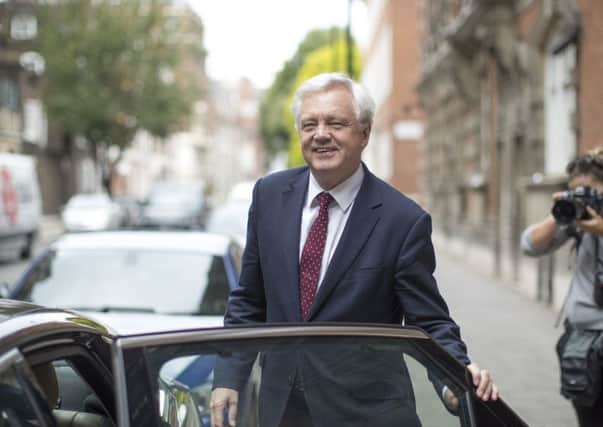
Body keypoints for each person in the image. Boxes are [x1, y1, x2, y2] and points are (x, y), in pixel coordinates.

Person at [210, 72, 498, 427]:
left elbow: (429, 320)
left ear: (364, 133)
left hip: (366, 414)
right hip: (281, 409)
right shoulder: (269, 196)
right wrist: (227, 376)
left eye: (336, 123)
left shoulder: (402, 220)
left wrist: (454, 376)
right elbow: (249, 300)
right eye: (309, 124)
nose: (320, 134)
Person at [521, 148, 603, 426]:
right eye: (575, 191)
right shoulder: (578, 223)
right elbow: (529, 245)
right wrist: (561, 212)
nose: (584, 198)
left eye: (588, 191)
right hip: (583, 343)